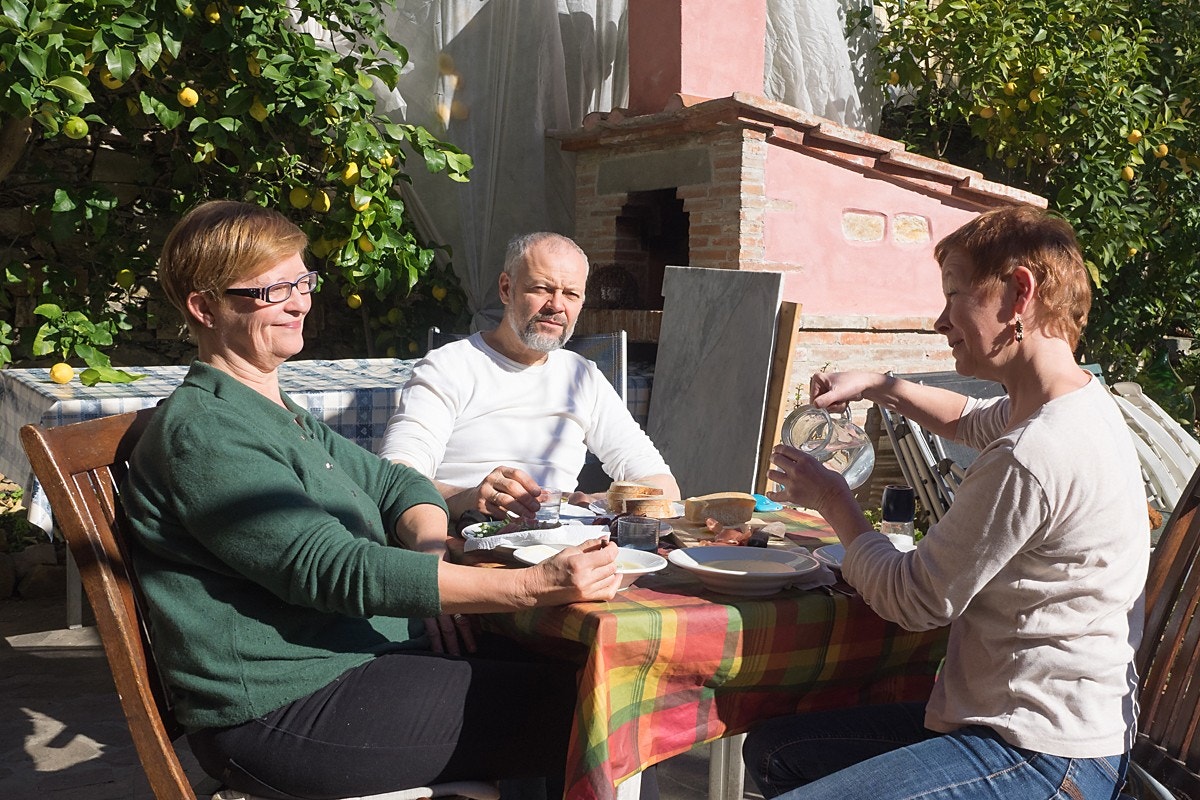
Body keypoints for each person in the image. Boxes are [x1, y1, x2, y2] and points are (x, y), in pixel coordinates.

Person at [122, 201, 622, 800]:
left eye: (301, 282)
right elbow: (335, 570)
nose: (298, 303)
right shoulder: (206, 431)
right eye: (271, 290)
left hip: (352, 657)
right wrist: (531, 586)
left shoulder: (273, 412)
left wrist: (431, 554)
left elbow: (395, 484)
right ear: (204, 309)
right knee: (596, 706)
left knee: (575, 666)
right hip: (282, 709)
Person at [744, 205, 1148, 800]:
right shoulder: (1075, 402)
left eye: (954, 294)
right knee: (775, 751)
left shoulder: (1034, 453)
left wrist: (833, 499)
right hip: (1044, 726)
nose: (940, 320)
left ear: (1019, 293)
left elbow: (914, 599)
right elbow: (967, 419)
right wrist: (879, 384)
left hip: (1040, 751)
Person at [379, 231, 679, 520]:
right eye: (541, 288)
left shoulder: (583, 378)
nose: (556, 305)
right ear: (506, 289)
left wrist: (594, 504)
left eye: (571, 294)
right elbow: (395, 476)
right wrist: (465, 498)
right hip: (462, 532)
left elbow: (662, 484)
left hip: (560, 539)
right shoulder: (449, 366)